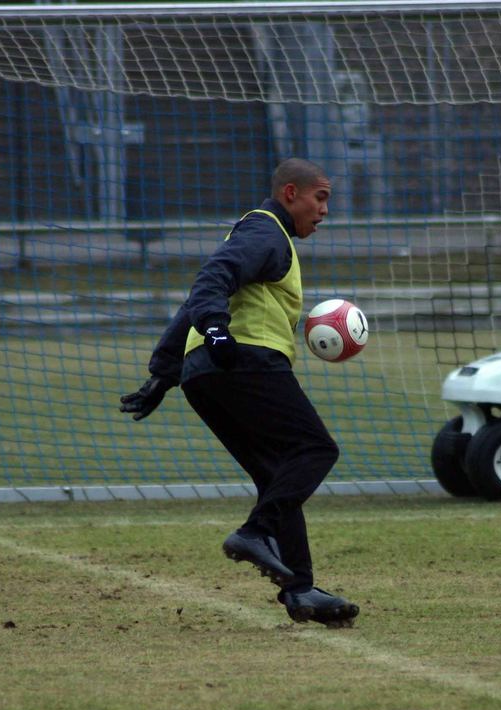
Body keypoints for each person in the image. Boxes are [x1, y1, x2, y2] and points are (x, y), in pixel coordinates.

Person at [120, 157, 359, 628]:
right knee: (315, 450)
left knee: (278, 476)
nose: (325, 210)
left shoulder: (261, 235)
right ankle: (255, 531)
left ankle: (301, 589)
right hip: (244, 361)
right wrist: (217, 332)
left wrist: (165, 374)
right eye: (321, 197)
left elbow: (194, 300)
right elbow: (212, 279)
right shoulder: (266, 231)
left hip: (205, 375)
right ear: (291, 193)